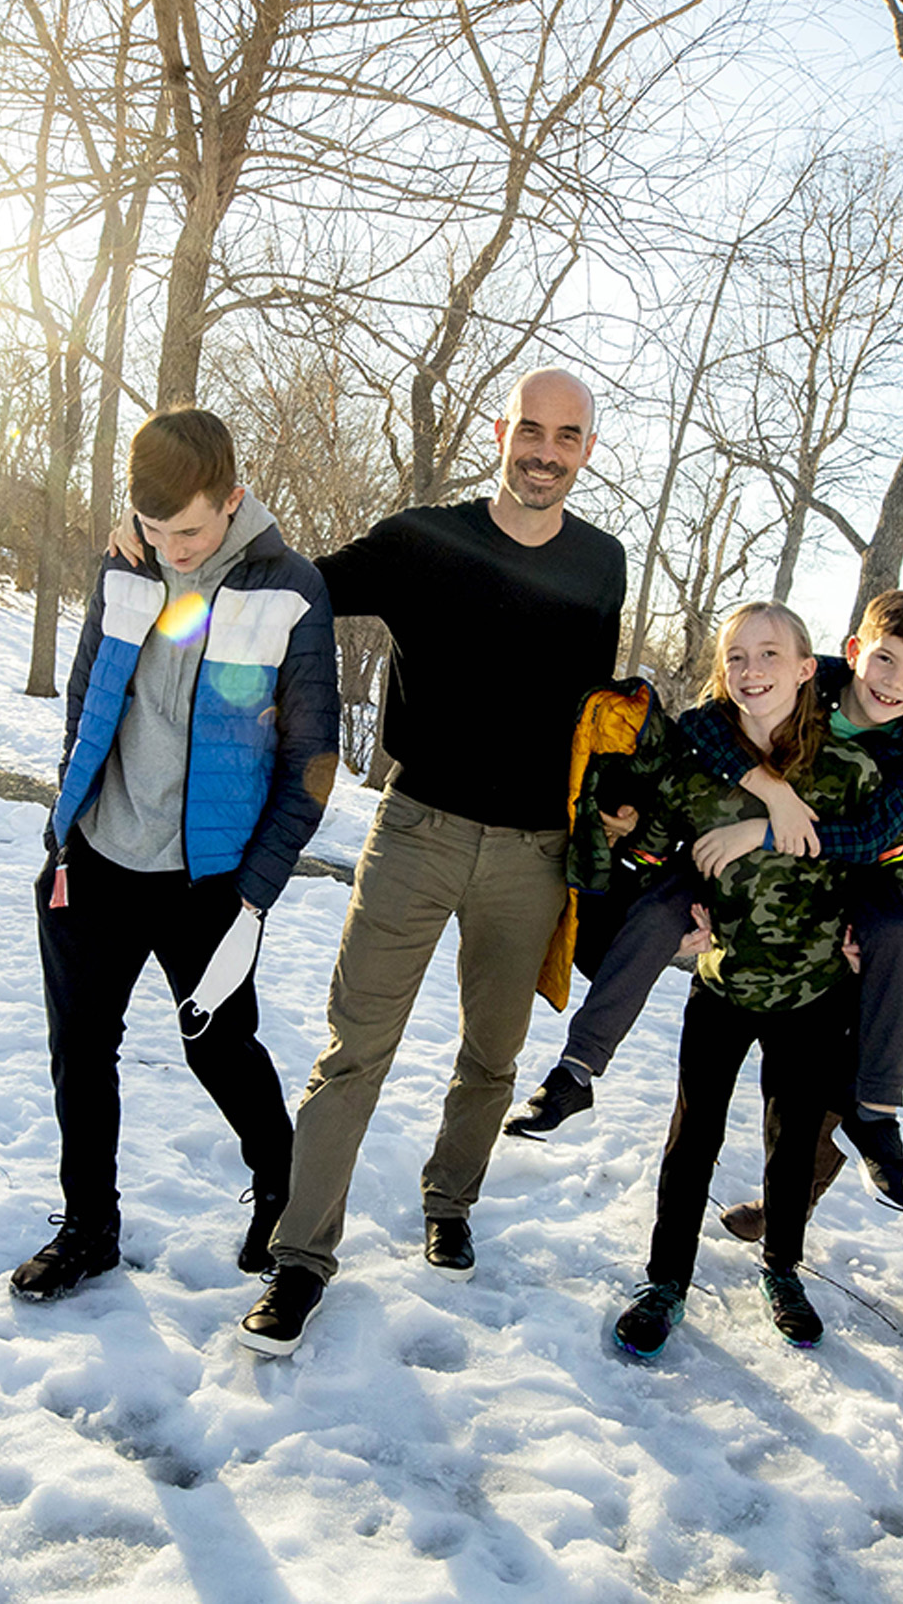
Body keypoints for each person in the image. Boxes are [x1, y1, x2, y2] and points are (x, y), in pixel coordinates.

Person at [237, 368, 627, 1357]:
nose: (545, 450)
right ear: (501, 432)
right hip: (417, 831)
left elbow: (589, 711)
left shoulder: (602, 563)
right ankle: (298, 1261)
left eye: (567, 436)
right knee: (352, 1048)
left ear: (586, 449)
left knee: (491, 1055)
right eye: (530, 430)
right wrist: (204, 530)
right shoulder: (422, 539)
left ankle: (450, 1198)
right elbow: (301, 585)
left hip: (534, 855)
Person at [13, 405, 340, 1301]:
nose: (172, 546)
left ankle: (279, 1183)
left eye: (189, 529)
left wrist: (254, 894)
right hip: (97, 861)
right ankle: (88, 1229)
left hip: (212, 882)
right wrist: (64, 825)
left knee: (219, 1049)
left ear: (234, 499)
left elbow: (314, 764)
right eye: (154, 527)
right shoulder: (125, 565)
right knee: (82, 1049)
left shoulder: (291, 591)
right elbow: (87, 699)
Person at [506, 591, 903, 1216]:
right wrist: (768, 791)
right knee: (663, 906)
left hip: (849, 869)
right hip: (733, 847)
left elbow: (874, 836)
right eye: (885, 661)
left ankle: (877, 1111)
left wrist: (769, 831)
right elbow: (704, 726)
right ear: (855, 652)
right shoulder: (807, 677)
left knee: (899, 932)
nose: (894, 683)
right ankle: (577, 1069)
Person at [609, 601, 899, 1358]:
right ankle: (664, 1280)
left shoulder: (849, 769)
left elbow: (889, 865)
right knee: (691, 1134)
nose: (751, 670)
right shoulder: (702, 759)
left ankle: (782, 1269)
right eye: (736, 656)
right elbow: (652, 857)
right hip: (723, 983)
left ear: (809, 669)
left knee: (792, 1140)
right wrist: (624, 841)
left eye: (770, 654)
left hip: (812, 989)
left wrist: (868, 933)